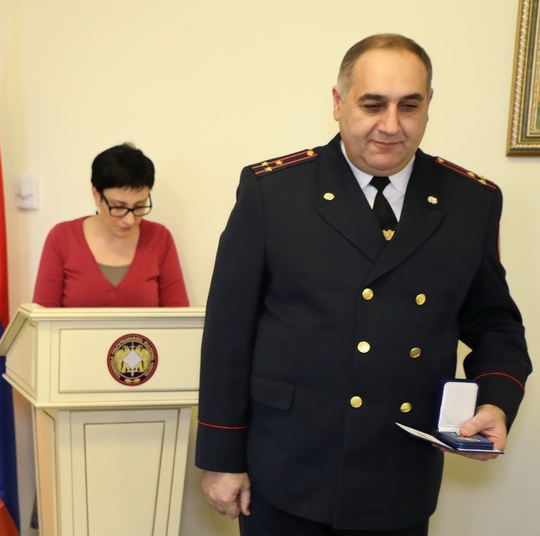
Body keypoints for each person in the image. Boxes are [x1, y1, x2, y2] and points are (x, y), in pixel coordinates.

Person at [196, 33, 531, 535]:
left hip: (399, 474)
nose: (391, 125)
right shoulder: (274, 192)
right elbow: (228, 333)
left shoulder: (470, 202)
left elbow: (495, 323)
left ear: (429, 104)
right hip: (288, 468)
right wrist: (222, 457)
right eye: (373, 105)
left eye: (409, 106)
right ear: (338, 102)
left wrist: (495, 401)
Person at [32, 143, 189, 307]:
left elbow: (178, 314)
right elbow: (43, 314)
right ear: (97, 195)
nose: (129, 220)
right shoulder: (62, 238)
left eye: (139, 206)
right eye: (119, 206)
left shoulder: (160, 238)